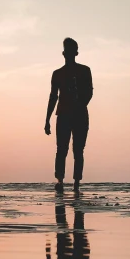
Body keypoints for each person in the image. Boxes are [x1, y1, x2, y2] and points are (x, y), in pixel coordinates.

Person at [44, 38, 93, 193]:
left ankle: (76, 183)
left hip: (78, 115)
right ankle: (60, 181)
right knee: (62, 149)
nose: (70, 54)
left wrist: (79, 105)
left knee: (77, 150)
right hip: (64, 115)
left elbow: (89, 93)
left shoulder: (85, 71)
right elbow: (53, 97)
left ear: (75, 53)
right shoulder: (57, 74)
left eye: (72, 51)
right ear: (64, 53)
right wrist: (47, 119)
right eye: (68, 51)